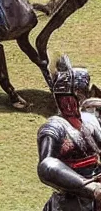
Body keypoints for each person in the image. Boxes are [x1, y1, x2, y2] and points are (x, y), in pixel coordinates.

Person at [38, 55, 101, 211]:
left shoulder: (89, 120)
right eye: (62, 98)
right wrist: (90, 187)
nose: (67, 103)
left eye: (79, 95)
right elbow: (47, 166)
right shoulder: (54, 127)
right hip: (72, 199)